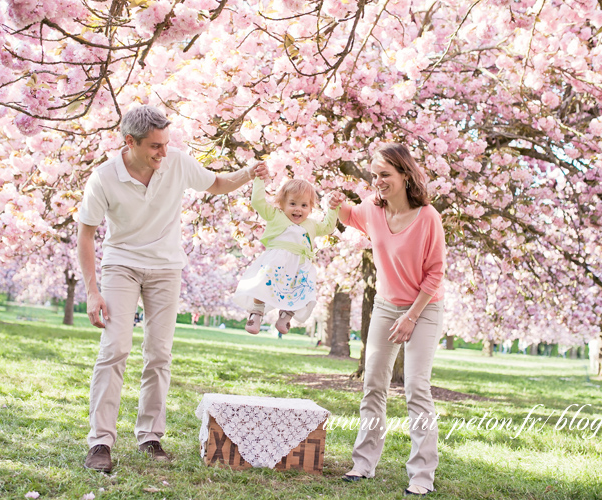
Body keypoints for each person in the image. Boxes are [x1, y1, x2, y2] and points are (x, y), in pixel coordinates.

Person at [77, 105, 267, 473]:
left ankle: (150, 436)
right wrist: (91, 290)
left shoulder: (176, 162)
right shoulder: (103, 177)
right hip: (122, 265)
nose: (163, 153)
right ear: (129, 142)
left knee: (159, 353)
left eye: (165, 144)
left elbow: (217, 183)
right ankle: (100, 441)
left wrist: (249, 172)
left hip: (166, 268)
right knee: (115, 348)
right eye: (154, 147)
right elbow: (86, 234)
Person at [332, 143, 446, 497]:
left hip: (423, 309)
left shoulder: (428, 217)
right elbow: (348, 216)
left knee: (416, 388)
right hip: (385, 307)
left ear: (405, 175)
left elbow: (435, 273)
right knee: (373, 385)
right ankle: (363, 464)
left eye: (385, 175)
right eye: (374, 174)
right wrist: (336, 202)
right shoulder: (372, 210)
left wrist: (411, 317)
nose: (377, 181)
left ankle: (421, 475)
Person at [233, 176, 340, 335]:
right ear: (281, 204)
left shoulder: (311, 224)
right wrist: (259, 180)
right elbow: (257, 202)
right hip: (277, 261)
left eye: (304, 205)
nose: (298, 209)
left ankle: (286, 315)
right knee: (263, 284)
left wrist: (333, 208)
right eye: (292, 204)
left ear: (311, 208)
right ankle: (256, 312)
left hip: (300, 264)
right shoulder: (276, 215)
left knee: (302, 291)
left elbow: (328, 227)